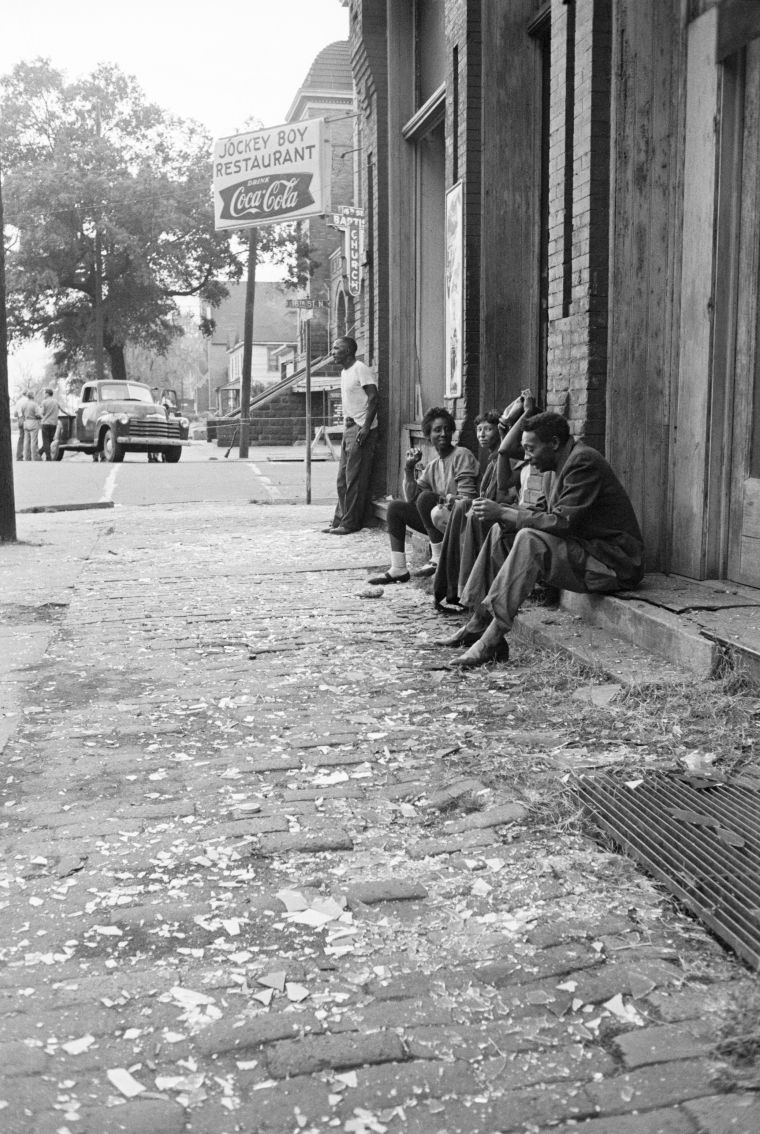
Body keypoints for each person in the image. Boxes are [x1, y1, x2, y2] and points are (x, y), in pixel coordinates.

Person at [439, 411, 645, 668]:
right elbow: (538, 513)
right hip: (586, 552)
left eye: (530, 448)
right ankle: (478, 623)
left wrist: (504, 511)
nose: (526, 456)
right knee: (501, 531)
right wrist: (503, 516)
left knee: (528, 539)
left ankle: (492, 639)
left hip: (613, 563)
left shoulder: (584, 462)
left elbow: (562, 522)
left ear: (555, 443)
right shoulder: (554, 466)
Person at [434, 393, 539, 612]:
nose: (483, 434)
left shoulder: (521, 457)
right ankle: (450, 589)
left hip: (516, 517)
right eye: (480, 430)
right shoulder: (496, 459)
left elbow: (504, 493)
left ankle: (463, 591)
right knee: (464, 507)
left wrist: (524, 414)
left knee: (469, 510)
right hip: (506, 514)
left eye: (490, 429)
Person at [368, 406, 479, 585]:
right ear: (428, 436)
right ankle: (398, 568)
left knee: (426, 498)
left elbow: (468, 500)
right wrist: (409, 468)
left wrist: (443, 500)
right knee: (396, 507)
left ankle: (437, 558)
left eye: (447, 429)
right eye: (437, 430)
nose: (443, 433)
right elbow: (411, 498)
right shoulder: (433, 466)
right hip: (441, 522)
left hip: (463, 521)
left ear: (452, 432)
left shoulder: (461, 455)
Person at [325, 336, 379, 535]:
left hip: (362, 428)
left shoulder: (360, 368)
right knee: (342, 479)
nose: (333, 352)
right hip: (349, 428)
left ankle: (351, 523)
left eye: (336, 348)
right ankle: (339, 520)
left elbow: (374, 397)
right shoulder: (344, 372)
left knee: (355, 478)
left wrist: (366, 427)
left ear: (347, 350)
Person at [39, 388, 60, 461]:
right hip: (54, 424)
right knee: (50, 440)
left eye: (44, 393)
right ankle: (40, 452)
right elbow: (62, 409)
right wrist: (69, 414)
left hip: (45, 423)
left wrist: (43, 417)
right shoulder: (56, 402)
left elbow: (41, 413)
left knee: (45, 441)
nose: (44, 395)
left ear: (47, 394)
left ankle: (48, 457)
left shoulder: (44, 402)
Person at [21, 391, 42, 461]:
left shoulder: (23, 404)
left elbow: (22, 414)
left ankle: (26, 458)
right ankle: (34, 458)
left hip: (26, 422)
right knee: (33, 441)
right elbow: (38, 414)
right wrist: (41, 417)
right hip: (33, 422)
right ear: (33, 396)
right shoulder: (35, 404)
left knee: (26, 441)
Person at [14, 392, 31, 461]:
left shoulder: (18, 401)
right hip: (27, 420)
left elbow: (15, 414)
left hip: (20, 420)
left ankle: (19, 456)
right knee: (29, 438)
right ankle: (28, 457)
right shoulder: (28, 401)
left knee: (21, 438)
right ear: (27, 394)